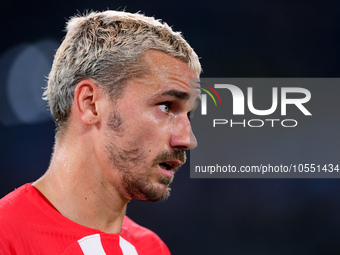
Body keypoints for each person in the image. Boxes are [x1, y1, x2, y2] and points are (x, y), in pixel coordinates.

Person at [0, 10, 201, 254]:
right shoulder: (7, 236)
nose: (187, 139)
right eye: (166, 106)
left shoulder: (152, 248)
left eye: (188, 114)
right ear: (90, 103)